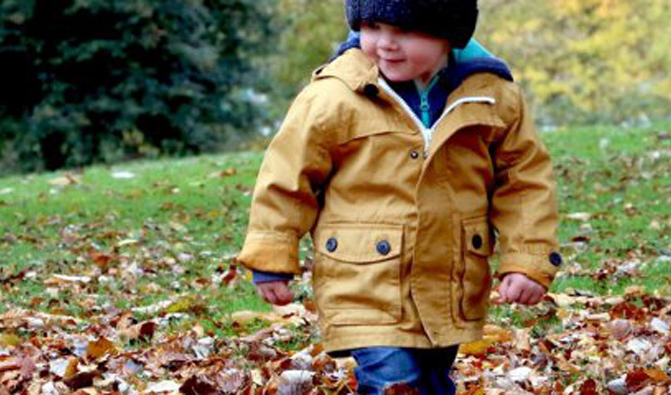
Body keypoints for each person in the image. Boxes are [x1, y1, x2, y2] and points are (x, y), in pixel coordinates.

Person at [238, 0, 562, 393]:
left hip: (450, 282)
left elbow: (524, 182)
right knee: (393, 381)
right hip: (363, 281)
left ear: (449, 32)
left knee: (432, 379)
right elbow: (287, 176)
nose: (385, 43)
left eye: (404, 30)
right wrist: (271, 254)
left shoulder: (492, 96)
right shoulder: (336, 95)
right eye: (372, 26)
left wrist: (527, 259)